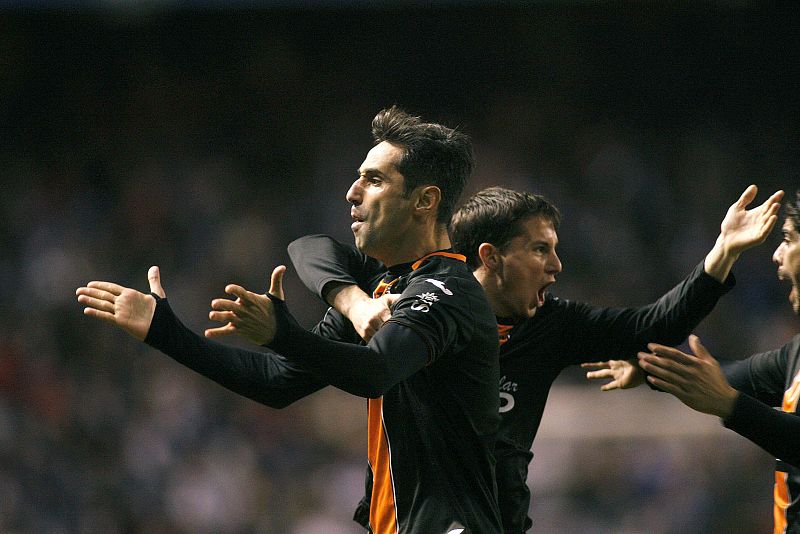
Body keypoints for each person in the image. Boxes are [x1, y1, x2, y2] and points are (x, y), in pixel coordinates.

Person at [76, 106, 503, 534]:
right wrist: (166, 333)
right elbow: (282, 367)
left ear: (425, 201)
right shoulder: (380, 286)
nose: (352, 192)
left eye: (374, 180)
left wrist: (283, 334)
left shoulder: (449, 290)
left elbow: (376, 372)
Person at [288, 184, 783, 533]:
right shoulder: (414, 304)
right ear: (491, 256)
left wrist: (722, 254)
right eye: (541, 249)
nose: (557, 265)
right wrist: (347, 302)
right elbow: (309, 247)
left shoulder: (551, 326)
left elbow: (651, 327)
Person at [634, 189, 800, 534]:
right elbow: (728, 376)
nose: (777, 254)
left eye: (787, 238)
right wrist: (646, 369)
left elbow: (728, 394)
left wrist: (730, 406)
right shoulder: (795, 353)